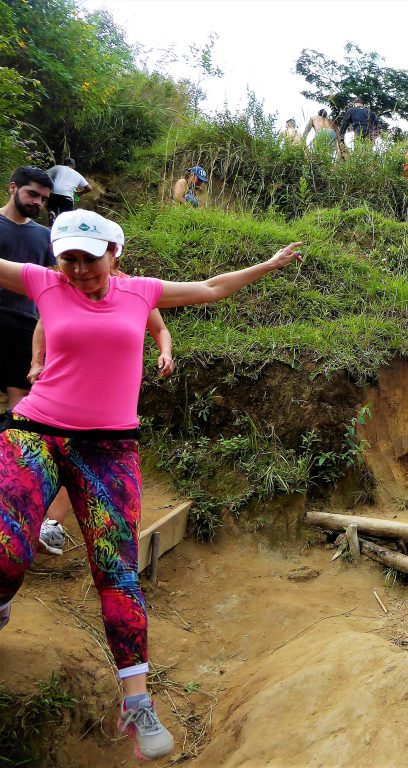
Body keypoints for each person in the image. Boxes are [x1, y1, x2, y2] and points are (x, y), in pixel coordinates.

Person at [0, 208, 303, 760]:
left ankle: (136, 702)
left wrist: (270, 263)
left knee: (116, 571)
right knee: (6, 546)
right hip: (35, 429)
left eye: (89, 258)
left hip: (111, 446)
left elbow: (212, 289)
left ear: (115, 254)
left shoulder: (141, 293)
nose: (77, 268)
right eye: (67, 257)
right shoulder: (44, 282)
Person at [30, 274, 175, 558]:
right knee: (46, 456)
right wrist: (37, 362)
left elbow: (160, 328)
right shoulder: (66, 284)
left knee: (80, 457)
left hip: (108, 399)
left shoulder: (134, 290)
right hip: (62, 391)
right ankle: (30, 523)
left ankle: (52, 525)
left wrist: (166, 352)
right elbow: (44, 324)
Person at [1, 167, 54, 411]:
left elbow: (53, 281)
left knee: (20, 388)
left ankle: (10, 446)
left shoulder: (45, 235)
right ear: (13, 187)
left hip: (25, 321)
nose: (38, 202)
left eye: (43, 199)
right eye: (32, 194)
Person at [45, 158, 91, 223]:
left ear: (64, 164)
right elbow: (89, 188)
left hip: (54, 193)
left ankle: (52, 213)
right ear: (74, 166)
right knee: (65, 217)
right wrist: (80, 193)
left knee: (51, 207)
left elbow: (44, 175)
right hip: (68, 197)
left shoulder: (57, 168)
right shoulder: (77, 174)